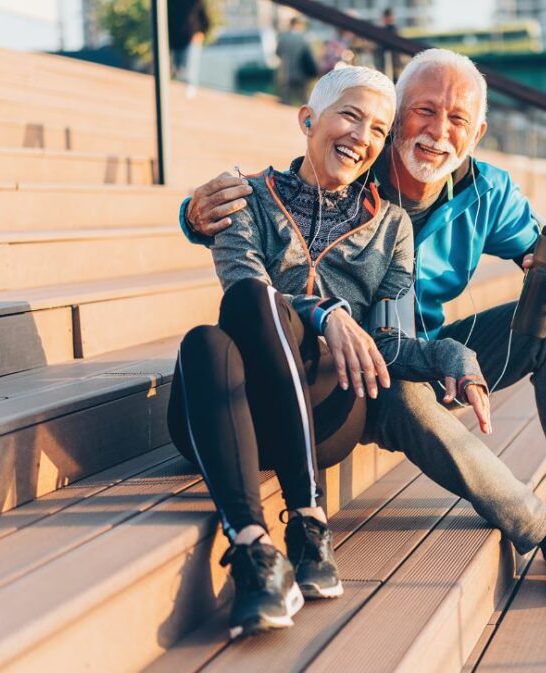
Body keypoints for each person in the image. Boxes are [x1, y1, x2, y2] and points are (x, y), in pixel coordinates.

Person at [179, 49, 546, 603]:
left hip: (420, 349)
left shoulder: (487, 192)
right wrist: (193, 214)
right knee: (406, 392)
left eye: (458, 119)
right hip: (359, 371)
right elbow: (281, 214)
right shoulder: (359, 155)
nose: (439, 131)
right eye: (422, 110)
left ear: (478, 131)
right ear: (396, 115)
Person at [167, 67, 488, 639]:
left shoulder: (392, 227)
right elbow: (243, 288)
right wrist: (324, 312)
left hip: (327, 413)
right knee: (206, 340)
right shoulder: (245, 197)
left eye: (378, 129)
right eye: (350, 116)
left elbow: (389, 342)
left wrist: (448, 357)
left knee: (235, 316)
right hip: (232, 413)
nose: (362, 136)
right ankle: (263, 546)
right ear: (308, 120)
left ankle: (293, 529)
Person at [275, 16, 316, 106]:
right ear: (298, 25)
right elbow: (308, 55)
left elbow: (278, 52)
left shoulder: (283, 38)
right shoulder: (303, 38)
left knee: (286, 99)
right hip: (301, 72)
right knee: (303, 99)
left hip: (286, 72)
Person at [167, 0, 210, 83]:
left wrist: (199, 34)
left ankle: (187, 94)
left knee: (188, 76)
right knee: (176, 75)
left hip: (190, 42)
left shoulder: (195, 1)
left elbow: (205, 20)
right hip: (174, 42)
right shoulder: (169, 2)